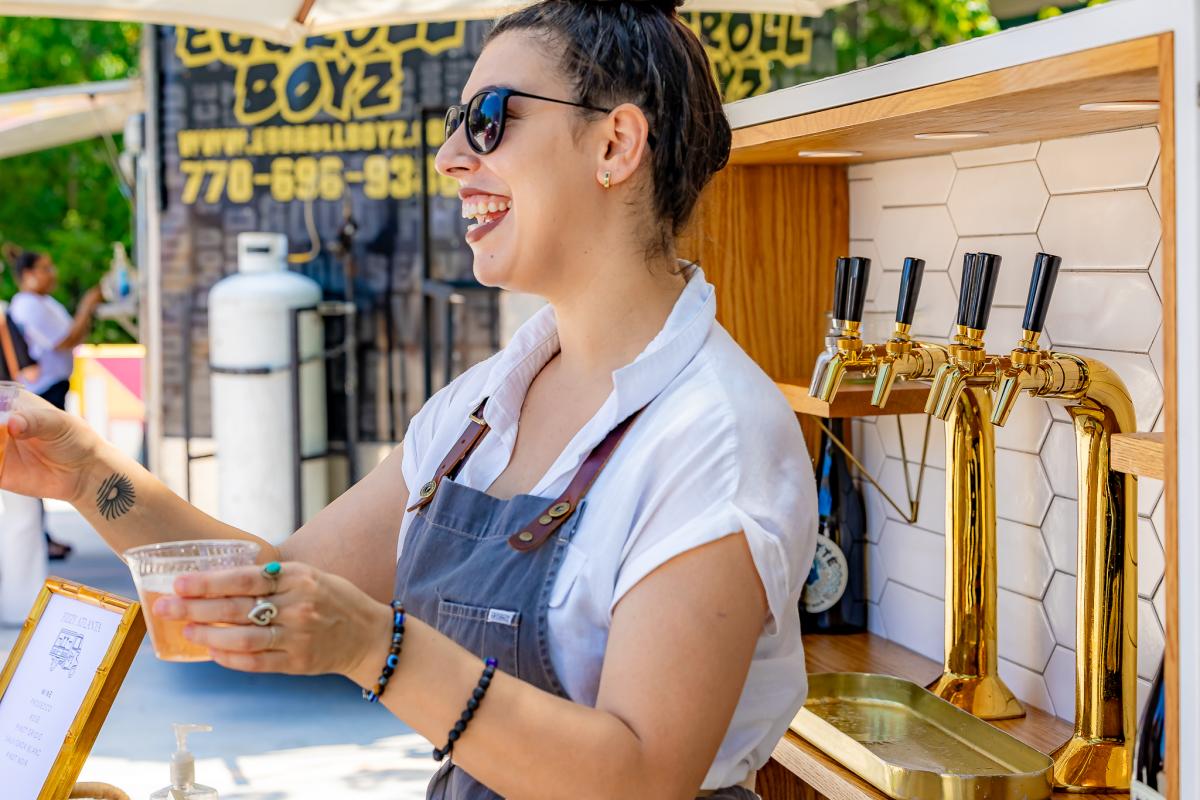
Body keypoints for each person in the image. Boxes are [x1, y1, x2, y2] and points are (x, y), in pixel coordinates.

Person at [0, 0, 818, 795]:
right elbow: (275, 584)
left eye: (488, 119)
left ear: (615, 143)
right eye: (457, 123)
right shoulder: (479, 409)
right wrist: (83, 470)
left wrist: (374, 646)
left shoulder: (715, 435)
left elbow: (642, 778)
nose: (450, 157)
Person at [6, 246, 103, 560]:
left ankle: (40, 536)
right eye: (45, 268)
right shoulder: (28, 306)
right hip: (41, 392)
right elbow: (65, 340)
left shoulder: (43, 303)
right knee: (39, 466)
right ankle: (39, 537)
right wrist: (87, 306)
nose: (53, 274)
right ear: (28, 274)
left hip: (52, 388)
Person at [0, 275, 45, 625]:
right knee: (20, 514)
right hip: (5, 418)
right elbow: (27, 369)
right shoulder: (2, 314)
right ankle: (21, 605)